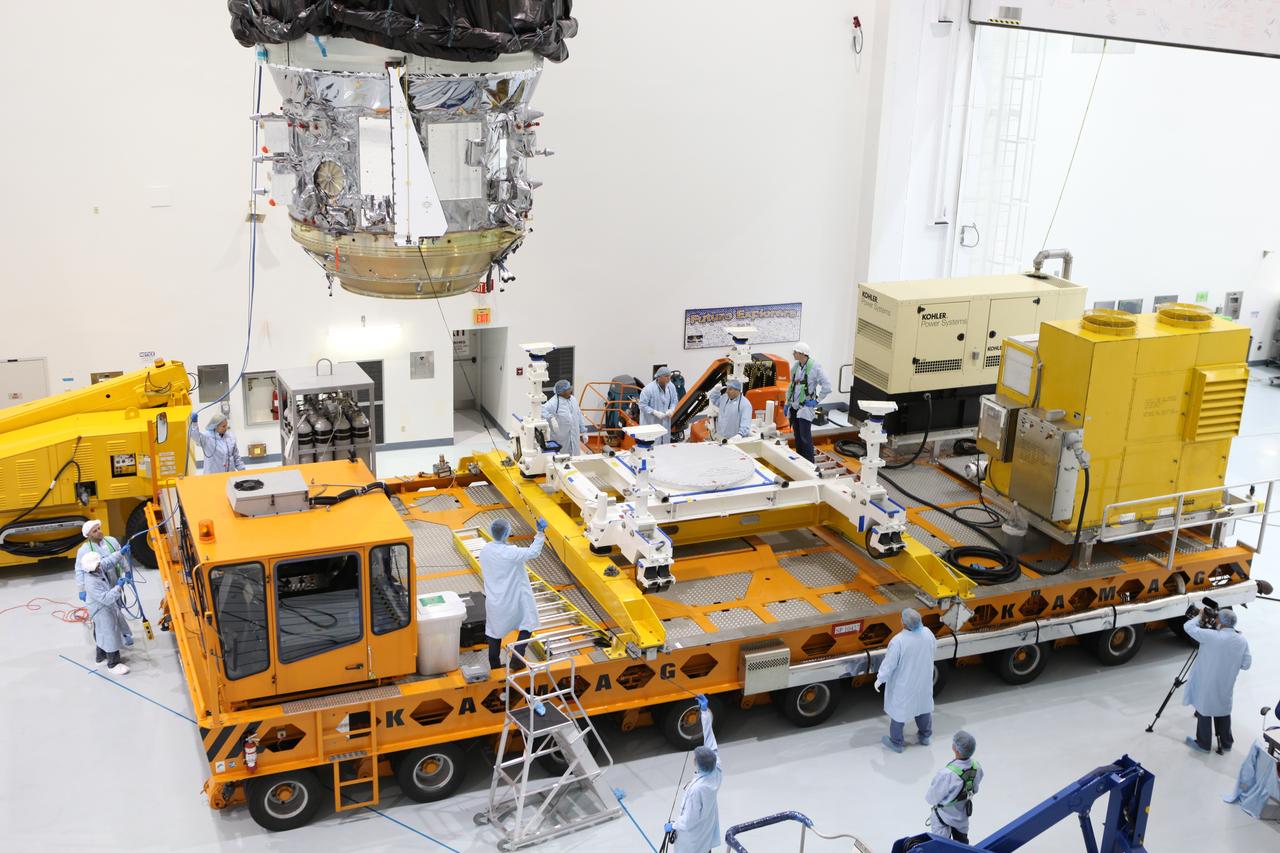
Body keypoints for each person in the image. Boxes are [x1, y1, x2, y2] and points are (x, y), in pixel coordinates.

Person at [480, 516, 547, 673]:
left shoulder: (485, 550)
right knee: (528, 623)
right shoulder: (511, 553)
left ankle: (495, 668)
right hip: (514, 600)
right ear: (507, 533)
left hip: (495, 601)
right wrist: (540, 532)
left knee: (494, 633)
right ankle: (517, 658)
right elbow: (534, 552)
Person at [1183, 606, 1251, 753]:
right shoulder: (1241, 641)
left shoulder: (1211, 636)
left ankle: (1203, 744)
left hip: (1207, 682)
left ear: (1221, 621)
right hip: (1226, 683)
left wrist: (1200, 616)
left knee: (1204, 710)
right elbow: (1246, 665)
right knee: (1223, 709)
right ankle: (1227, 743)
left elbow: (1187, 627)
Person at [664, 695, 722, 853]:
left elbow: (689, 821)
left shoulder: (697, 790)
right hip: (706, 830)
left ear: (697, 763)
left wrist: (673, 826)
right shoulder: (716, 770)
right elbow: (710, 740)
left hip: (693, 840)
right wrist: (704, 712)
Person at [875, 607, 937, 752]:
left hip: (904, 684)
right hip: (923, 680)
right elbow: (934, 648)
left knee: (899, 712)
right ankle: (926, 736)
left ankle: (896, 742)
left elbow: (889, 664)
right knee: (923, 706)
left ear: (903, 622)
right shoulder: (928, 633)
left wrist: (880, 679)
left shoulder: (898, 641)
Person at [75, 520, 134, 648]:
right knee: (105, 615)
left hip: (114, 580)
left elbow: (119, 557)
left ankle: (124, 634)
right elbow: (79, 570)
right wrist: (82, 589)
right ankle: (103, 644)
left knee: (118, 609)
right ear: (88, 535)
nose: (99, 532)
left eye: (99, 528)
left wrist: (127, 571)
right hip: (100, 585)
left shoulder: (111, 541)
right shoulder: (84, 550)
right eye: (95, 531)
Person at [925, 731, 983, 843]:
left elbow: (931, 798)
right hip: (962, 815)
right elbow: (975, 789)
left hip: (943, 817)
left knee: (941, 846)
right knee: (962, 845)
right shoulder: (977, 767)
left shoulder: (946, 774)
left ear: (955, 748)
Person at [82, 552, 131, 675]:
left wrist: (121, 553)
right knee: (110, 635)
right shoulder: (91, 582)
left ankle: (101, 656)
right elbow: (106, 598)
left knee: (101, 633)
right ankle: (113, 664)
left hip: (102, 607)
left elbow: (108, 562)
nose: (100, 565)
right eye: (98, 564)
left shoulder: (96, 569)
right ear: (92, 567)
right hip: (101, 609)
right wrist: (118, 587)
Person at [785, 343, 831, 462]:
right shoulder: (796, 366)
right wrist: (787, 403)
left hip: (805, 407)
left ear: (802, 354)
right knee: (798, 437)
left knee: (805, 437)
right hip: (794, 406)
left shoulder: (815, 367)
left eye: (795, 352)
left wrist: (816, 401)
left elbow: (827, 386)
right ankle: (801, 461)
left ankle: (810, 463)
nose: (793, 354)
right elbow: (792, 386)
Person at [541, 379, 590, 455]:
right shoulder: (554, 403)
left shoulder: (573, 399)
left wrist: (584, 432)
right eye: (568, 389)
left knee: (575, 460)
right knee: (562, 461)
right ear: (562, 392)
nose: (571, 389)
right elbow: (541, 409)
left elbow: (579, 415)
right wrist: (550, 417)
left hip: (574, 437)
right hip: (561, 440)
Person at [638, 367, 680, 445]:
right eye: (666, 376)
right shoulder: (648, 389)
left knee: (664, 445)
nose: (669, 379)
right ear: (659, 377)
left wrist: (671, 409)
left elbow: (674, 400)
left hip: (665, 422)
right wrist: (655, 412)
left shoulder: (671, 386)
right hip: (651, 422)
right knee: (652, 446)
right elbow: (642, 405)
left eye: (669, 376)